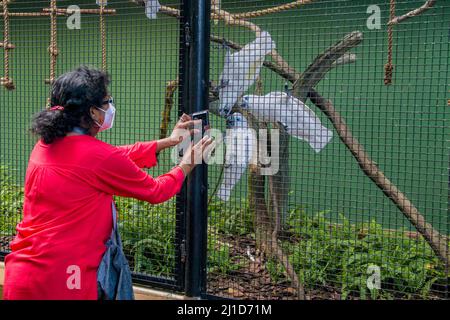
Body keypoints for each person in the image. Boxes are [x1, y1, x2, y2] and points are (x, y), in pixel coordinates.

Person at [2, 66, 212, 300]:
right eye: (107, 101)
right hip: (64, 281)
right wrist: (187, 164)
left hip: (22, 276)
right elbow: (156, 191)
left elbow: (107, 160)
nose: (110, 107)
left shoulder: (45, 145)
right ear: (93, 112)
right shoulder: (98, 157)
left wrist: (169, 141)